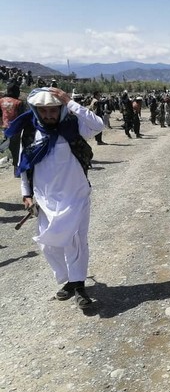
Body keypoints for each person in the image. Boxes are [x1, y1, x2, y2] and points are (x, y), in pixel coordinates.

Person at [4, 87, 104, 308]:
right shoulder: (30, 132)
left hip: (75, 194)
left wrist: (70, 102)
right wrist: (26, 194)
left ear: (60, 109)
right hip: (45, 198)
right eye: (43, 111)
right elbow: (25, 165)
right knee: (50, 245)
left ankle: (78, 285)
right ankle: (69, 279)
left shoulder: (73, 126)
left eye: (53, 110)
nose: (48, 115)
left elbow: (98, 125)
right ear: (36, 111)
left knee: (76, 242)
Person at [0, 79, 26, 174]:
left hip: (4, 128)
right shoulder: (18, 103)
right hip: (16, 129)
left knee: (7, 147)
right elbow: (22, 116)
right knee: (17, 149)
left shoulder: (1, 101)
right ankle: (16, 170)